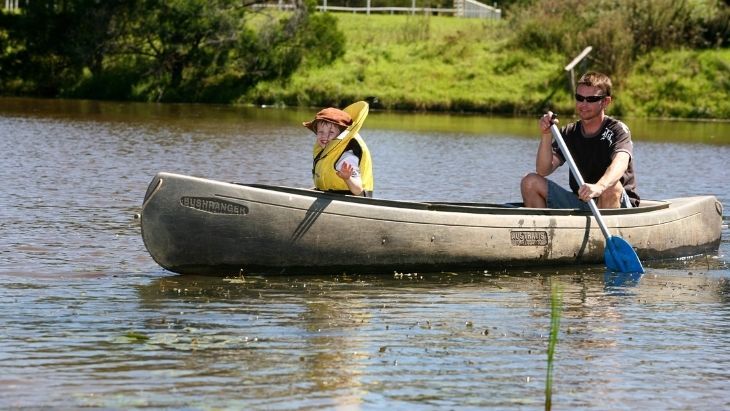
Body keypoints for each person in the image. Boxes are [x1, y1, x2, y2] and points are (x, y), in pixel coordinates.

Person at [520, 71, 639, 209]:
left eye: (591, 99)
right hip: (583, 201)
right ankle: (544, 229)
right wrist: (546, 134)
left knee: (612, 187)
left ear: (605, 102)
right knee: (529, 182)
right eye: (579, 98)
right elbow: (543, 170)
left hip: (618, 202)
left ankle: (605, 229)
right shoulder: (569, 132)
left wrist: (599, 187)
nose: (583, 104)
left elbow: (621, 162)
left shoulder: (618, 130)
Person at [303, 101, 374, 197]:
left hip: (354, 203)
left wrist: (347, 178)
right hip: (331, 197)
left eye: (331, 132)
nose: (325, 136)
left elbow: (358, 191)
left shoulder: (347, 158)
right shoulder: (326, 152)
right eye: (321, 132)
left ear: (341, 135)